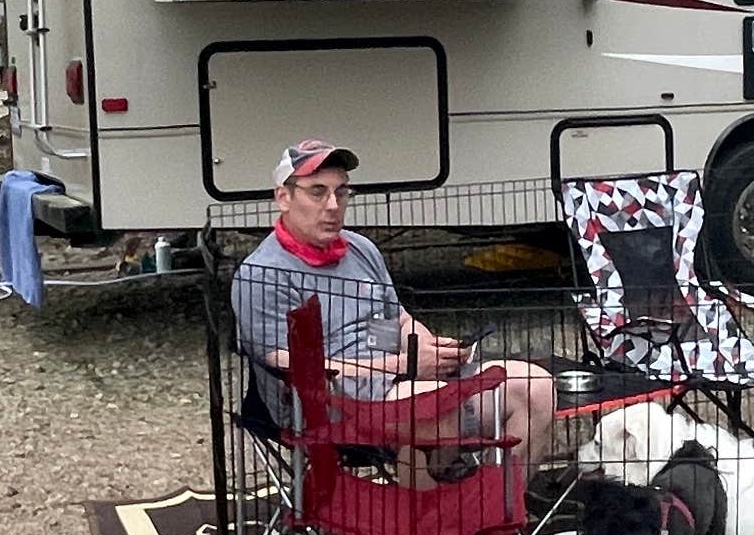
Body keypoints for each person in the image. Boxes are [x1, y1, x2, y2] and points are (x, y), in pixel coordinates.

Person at [230, 140, 560, 477]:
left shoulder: (361, 249)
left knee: (537, 385)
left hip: (400, 381)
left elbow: (398, 318)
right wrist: (405, 364)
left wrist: (429, 348)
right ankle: (438, 511)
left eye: (342, 192)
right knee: (436, 406)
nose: (333, 205)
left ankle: (500, 513)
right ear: (283, 197)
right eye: (317, 192)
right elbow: (289, 364)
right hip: (326, 406)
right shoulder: (262, 274)